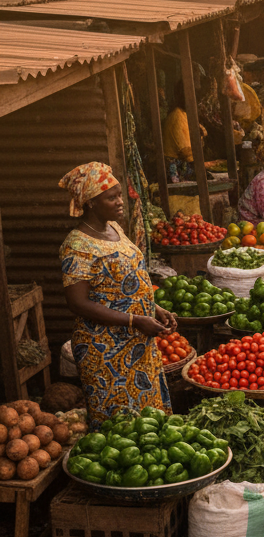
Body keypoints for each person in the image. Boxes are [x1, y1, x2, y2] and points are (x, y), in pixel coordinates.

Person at [59, 163, 175, 427]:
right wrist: (135, 320)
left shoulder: (116, 229)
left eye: (119, 195)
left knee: (150, 421)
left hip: (138, 342)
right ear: (90, 203)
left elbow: (125, 285)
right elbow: (77, 303)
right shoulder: (76, 246)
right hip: (106, 349)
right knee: (120, 425)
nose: (120, 202)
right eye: (111, 198)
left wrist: (154, 308)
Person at [162, 80, 206, 183]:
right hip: (176, 172)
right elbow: (186, 153)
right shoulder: (177, 116)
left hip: (183, 168)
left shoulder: (185, 114)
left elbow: (203, 131)